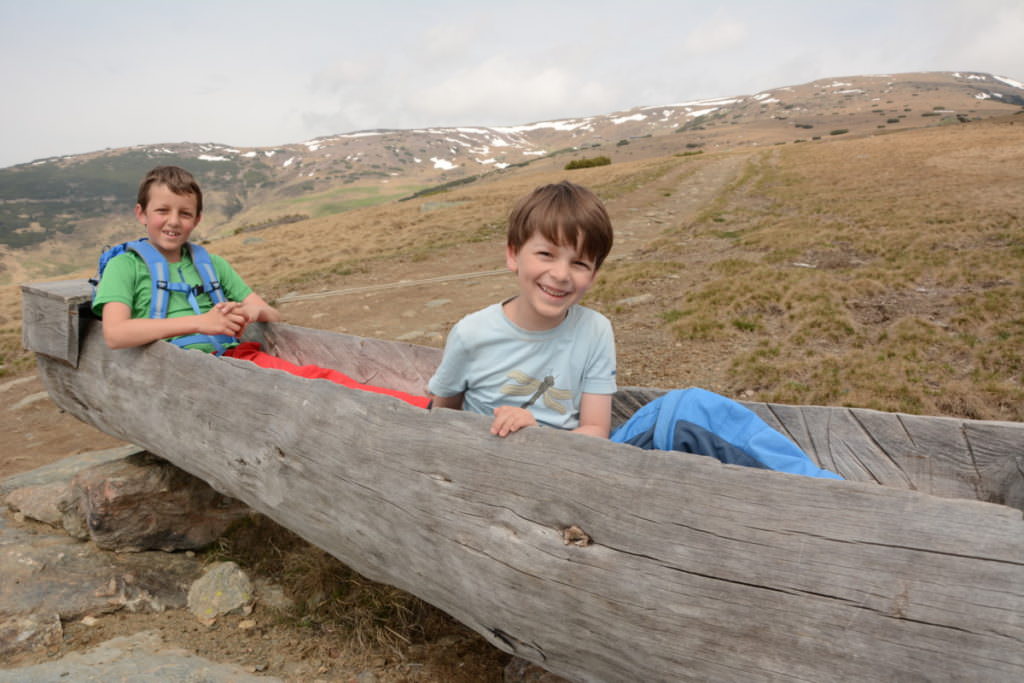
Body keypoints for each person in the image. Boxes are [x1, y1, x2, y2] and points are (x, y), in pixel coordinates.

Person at [428, 180, 842, 480]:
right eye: (546, 254)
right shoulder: (471, 335)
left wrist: (540, 433)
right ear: (513, 255)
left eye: (579, 263)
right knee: (687, 411)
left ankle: (813, 487)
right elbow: (439, 421)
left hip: (579, 459)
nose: (560, 275)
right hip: (511, 472)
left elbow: (595, 429)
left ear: (594, 273)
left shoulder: (594, 330)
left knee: (691, 408)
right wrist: (507, 438)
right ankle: (821, 492)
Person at [93, 165, 430, 409]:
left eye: (185, 213)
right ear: (141, 213)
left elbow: (269, 311)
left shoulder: (211, 264)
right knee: (315, 383)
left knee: (317, 378)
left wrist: (248, 310)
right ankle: (417, 409)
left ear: (196, 220)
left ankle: (416, 407)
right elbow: (115, 334)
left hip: (232, 360)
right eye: (162, 211)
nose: (173, 221)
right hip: (173, 373)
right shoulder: (127, 266)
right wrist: (201, 322)